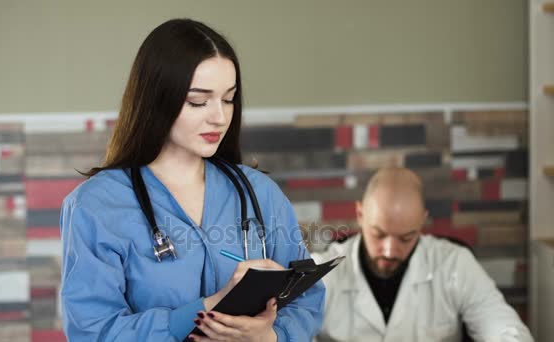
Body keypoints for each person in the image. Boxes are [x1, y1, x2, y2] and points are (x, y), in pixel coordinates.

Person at [59, 18, 324, 342]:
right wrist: (206, 310)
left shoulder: (259, 193)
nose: (220, 116)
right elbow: (93, 331)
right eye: (198, 101)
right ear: (157, 99)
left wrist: (270, 338)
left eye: (228, 99)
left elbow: (307, 298)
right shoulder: (96, 206)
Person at [312, 167, 533, 342]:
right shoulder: (321, 273)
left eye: (406, 237)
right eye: (379, 234)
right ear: (360, 214)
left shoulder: (454, 263)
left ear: (422, 221)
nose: (389, 251)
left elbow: (506, 329)